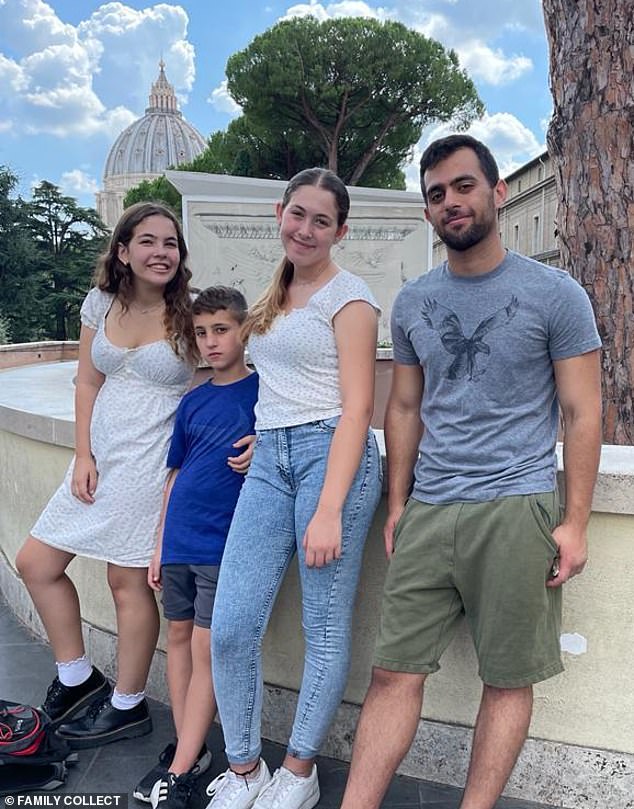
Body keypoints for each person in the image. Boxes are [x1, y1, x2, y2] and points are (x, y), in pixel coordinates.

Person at [338, 134, 603, 809]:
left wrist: (574, 522)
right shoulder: (415, 300)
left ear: (496, 191)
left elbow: (581, 413)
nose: (450, 202)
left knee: (508, 678)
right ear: (427, 211)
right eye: (436, 194)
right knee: (392, 672)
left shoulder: (556, 294)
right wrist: (398, 502)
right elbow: (403, 408)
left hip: (518, 509)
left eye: (462, 186)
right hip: (430, 507)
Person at [16, 203, 241, 748]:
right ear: (123, 251)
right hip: (101, 455)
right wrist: (84, 453)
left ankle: (128, 702)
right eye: (148, 241)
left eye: (171, 242)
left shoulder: (189, 311)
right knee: (36, 563)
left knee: (126, 582)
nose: (161, 252)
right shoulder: (101, 303)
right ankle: (77, 676)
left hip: (153, 457)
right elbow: (88, 383)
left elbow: (236, 362)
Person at [204, 168, 383, 809]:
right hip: (270, 460)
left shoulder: (351, 298)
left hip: (333, 458)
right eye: (297, 214)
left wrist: (330, 506)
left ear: (340, 231)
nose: (305, 229)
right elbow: (279, 385)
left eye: (321, 221)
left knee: (324, 627)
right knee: (230, 625)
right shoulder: (273, 297)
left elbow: (359, 407)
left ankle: (299, 772)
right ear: (280, 212)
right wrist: (264, 431)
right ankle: (245, 768)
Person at [133, 286, 259, 809]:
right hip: (180, 539)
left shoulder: (264, 394)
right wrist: (159, 544)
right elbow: (175, 474)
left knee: (206, 648)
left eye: (221, 330)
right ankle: (192, 747)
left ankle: (180, 768)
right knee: (178, 638)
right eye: (202, 332)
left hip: (221, 543)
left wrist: (266, 446)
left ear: (245, 330)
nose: (210, 342)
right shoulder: (192, 400)